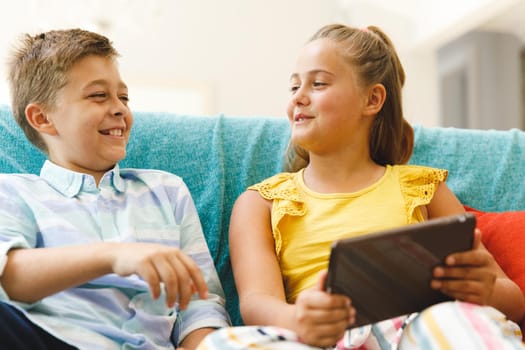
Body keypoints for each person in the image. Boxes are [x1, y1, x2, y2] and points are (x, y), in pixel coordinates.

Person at [198, 24, 525, 349]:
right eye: (294, 86)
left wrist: (486, 291)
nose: (299, 96)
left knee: (454, 322)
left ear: (372, 99)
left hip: (414, 330)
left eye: (319, 83)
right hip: (318, 338)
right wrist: (299, 320)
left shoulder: (424, 189)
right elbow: (256, 302)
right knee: (221, 344)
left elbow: (513, 300)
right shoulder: (261, 203)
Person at [0, 28, 230, 349]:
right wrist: (113, 255)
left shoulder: (166, 190)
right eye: (98, 95)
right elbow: (7, 278)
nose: (120, 108)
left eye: (123, 97)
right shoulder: (13, 192)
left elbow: (201, 304)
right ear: (42, 118)